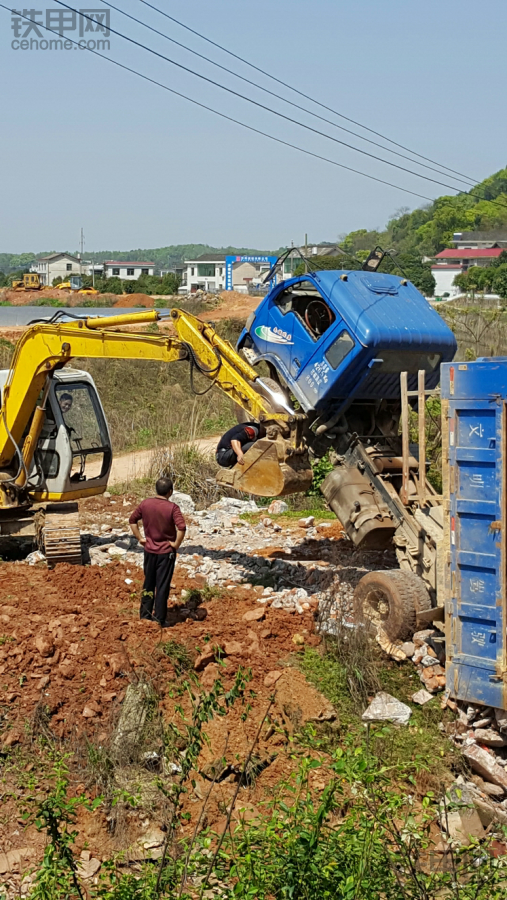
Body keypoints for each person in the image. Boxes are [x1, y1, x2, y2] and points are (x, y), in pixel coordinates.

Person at [129, 476, 186, 626]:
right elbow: (182, 527)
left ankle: (145, 616)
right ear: (170, 492)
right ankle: (159, 619)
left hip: (149, 551)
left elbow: (132, 520)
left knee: (148, 583)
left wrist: (140, 538)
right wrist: (176, 544)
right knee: (162, 586)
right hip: (166, 553)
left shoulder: (146, 504)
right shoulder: (173, 508)